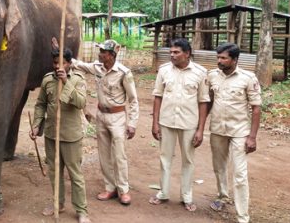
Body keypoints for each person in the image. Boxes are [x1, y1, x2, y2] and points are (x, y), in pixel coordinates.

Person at [72, 39, 139, 205]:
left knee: (119, 155)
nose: (100, 54)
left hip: (117, 118)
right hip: (101, 116)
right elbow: (78, 64)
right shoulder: (97, 67)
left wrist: (132, 123)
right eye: (100, 51)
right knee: (104, 155)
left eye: (103, 52)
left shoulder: (124, 73)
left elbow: (133, 100)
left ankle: (123, 190)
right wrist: (60, 52)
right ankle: (110, 188)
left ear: (111, 55)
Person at [30, 48, 91, 223]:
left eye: (63, 63)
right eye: (56, 62)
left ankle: (81, 211)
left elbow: (81, 103)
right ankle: (59, 203)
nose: (58, 66)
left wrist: (66, 81)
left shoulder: (77, 80)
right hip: (51, 134)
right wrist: (36, 125)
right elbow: (41, 104)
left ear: (70, 64)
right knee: (54, 172)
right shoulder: (48, 79)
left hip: (71, 136)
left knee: (75, 174)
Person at [149, 38, 210, 212]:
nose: (172, 55)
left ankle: (187, 196)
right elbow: (157, 96)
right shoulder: (163, 71)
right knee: (164, 158)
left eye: (176, 52)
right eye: (171, 52)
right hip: (166, 121)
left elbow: (203, 101)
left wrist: (200, 130)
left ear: (187, 54)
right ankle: (163, 192)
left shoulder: (200, 72)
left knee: (188, 160)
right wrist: (155, 123)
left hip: (189, 123)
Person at [207, 43, 261, 223]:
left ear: (235, 59)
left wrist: (252, 137)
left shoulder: (248, 78)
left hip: (240, 131)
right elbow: (209, 102)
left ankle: (242, 216)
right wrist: (200, 127)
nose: (219, 61)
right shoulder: (213, 75)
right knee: (219, 166)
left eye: (224, 58)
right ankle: (222, 197)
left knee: (240, 173)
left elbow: (256, 108)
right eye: (218, 57)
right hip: (217, 129)